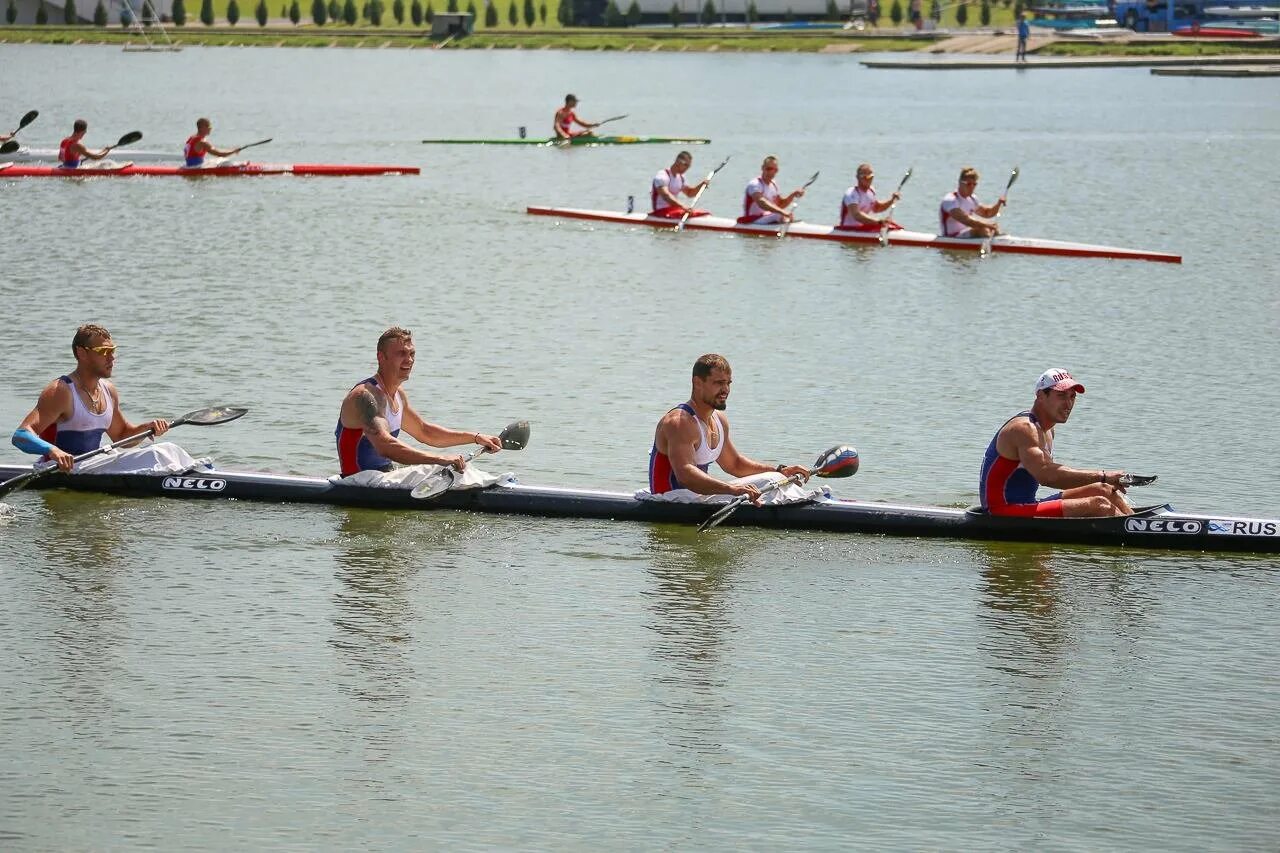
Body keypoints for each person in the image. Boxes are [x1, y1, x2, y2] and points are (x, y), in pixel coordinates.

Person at [336, 327, 501, 477]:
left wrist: (476, 437)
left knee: (456, 473)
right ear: (381, 357)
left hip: (383, 478)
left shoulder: (398, 394)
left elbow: (424, 432)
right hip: (357, 482)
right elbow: (385, 446)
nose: (409, 360)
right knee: (447, 472)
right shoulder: (365, 396)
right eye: (401, 354)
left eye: (411, 354)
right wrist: (441, 459)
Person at [649, 354, 811, 500]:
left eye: (728, 383)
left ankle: (810, 500)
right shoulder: (680, 422)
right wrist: (732, 489)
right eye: (719, 383)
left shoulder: (719, 420)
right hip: (669, 500)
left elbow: (734, 464)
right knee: (772, 481)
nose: (725, 389)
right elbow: (685, 474)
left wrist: (779, 471)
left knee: (776, 478)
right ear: (698, 383)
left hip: (697, 498)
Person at [11, 324, 170, 472]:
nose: (111, 358)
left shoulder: (109, 390)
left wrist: (147, 428)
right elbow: (21, 436)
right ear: (82, 353)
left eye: (112, 351)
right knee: (155, 454)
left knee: (167, 450)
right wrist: (53, 451)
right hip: (61, 470)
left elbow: (121, 436)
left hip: (93, 465)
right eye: (103, 351)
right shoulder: (61, 391)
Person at [979, 368, 1134, 518]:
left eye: (1072, 397)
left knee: (1104, 490)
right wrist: (1103, 475)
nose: (1068, 404)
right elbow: (1047, 476)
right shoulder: (1024, 428)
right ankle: (1139, 531)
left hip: (1026, 504)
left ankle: (1140, 523)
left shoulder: (1047, 430)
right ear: (1040, 395)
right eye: (1061, 396)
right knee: (1099, 504)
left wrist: (1103, 480)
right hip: (1001, 512)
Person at [738, 156, 807, 225]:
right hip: (751, 220)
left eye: (775, 170)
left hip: (766, 218)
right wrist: (782, 212)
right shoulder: (755, 184)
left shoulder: (773, 185)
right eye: (769, 169)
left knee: (781, 214)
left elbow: (780, 205)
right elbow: (762, 203)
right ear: (762, 168)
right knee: (779, 214)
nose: (772, 172)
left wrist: (793, 194)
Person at [939, 167, 1006, 238]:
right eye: (968, 184)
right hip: (951, 237)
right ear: (960, 183)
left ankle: (1000, 245)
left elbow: (987, 213)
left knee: (993, 228)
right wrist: (987, 225)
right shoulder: (950, 200)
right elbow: (965, 219)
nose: (972, 187)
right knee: (983, 229)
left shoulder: (972, 198)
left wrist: (998, 204)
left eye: (974, 184)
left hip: (967, 234)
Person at [836, 163, 902, 232]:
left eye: (871, 177)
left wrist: (891, 200)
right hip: (849, 229)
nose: (868, 179)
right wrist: (878, 221)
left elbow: (877, 208)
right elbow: (856, 215)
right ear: (857, 177)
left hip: (864, 228)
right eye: (865, 177)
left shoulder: (871, 191)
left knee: (890, 224)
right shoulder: (851, 193)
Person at [650, 150, 709, 219]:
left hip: (674, 210)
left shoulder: (681, 178)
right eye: (686, 165)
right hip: (660, 212)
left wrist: (701, 185)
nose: (687, 168)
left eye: (689, 166)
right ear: (678, 162)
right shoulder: (662, 176)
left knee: (705, 213)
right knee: (693, 214)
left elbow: (689, 193)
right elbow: (666, 196)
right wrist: (683, 207)